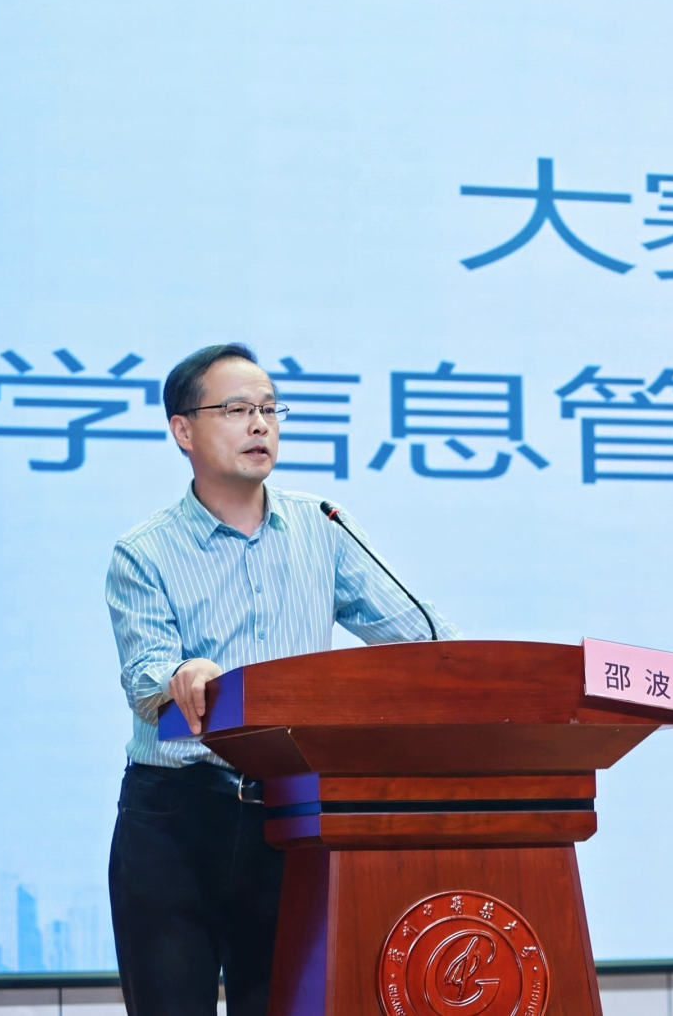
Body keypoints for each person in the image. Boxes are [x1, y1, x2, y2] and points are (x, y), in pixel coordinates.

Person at [104, 343, 456, 1016]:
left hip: (289, 813)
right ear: (183, 430)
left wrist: (461, 662)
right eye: (237, 409)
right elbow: (146, 682)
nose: (260, 424)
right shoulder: (143, 551)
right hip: (177, 817)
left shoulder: (321, 526)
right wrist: (183, 675)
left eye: (269, 408)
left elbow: (420, 636)